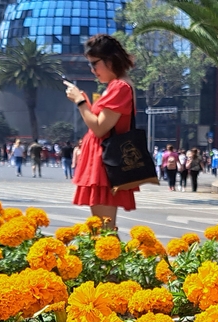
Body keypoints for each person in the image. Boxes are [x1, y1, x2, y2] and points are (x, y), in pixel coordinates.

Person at [62, 33, 138, 230]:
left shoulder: (120, 87)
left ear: (110, 60)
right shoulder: (117, 85)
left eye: (95, 63)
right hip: (103, 162)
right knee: (102, 229)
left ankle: (115, 261)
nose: (92, 70)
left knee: (103, 230)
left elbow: (99, 127)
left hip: (105, 164)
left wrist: (80, 101)